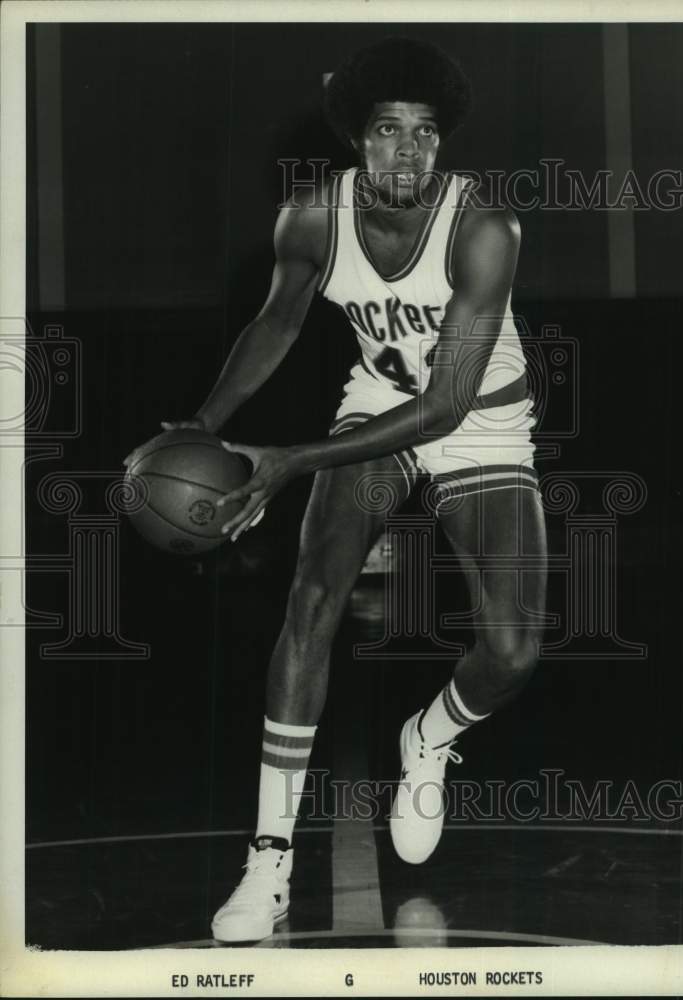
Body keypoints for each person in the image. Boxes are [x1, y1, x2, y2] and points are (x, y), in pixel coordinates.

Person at [126, 36, 547, 943]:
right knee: (312, 595)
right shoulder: (313, 218)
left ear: (444, 142)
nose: (408, 150)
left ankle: (428, 738)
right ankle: (268, 861)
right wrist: (203, 424)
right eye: (389, 130)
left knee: (512, 652)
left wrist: (285, 461)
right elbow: (276, 323)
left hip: (478, 416)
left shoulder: (484, 230)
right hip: (372, 411)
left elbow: (443, 406)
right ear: (358, 138)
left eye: (425, 133)